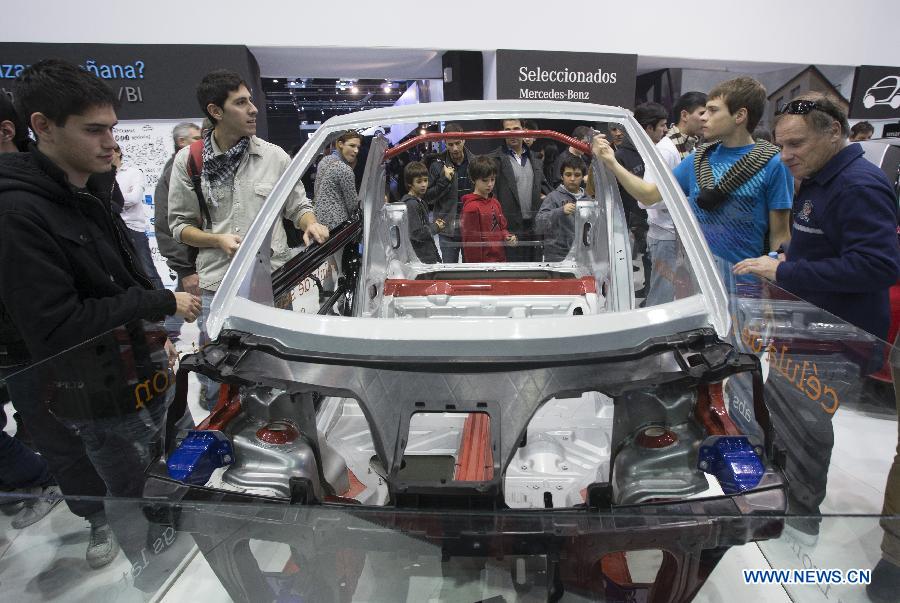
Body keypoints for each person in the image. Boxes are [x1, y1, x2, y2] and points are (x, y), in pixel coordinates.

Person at [0, 59, 202, 573]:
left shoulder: (89, 189)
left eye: (111, 127)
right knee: (132, 492)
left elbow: (121, 273)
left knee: (175, 462)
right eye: (93, 130)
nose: (109, 141)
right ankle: (151, 566)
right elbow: (56, 326)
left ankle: (181, 542)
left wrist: (157, 331)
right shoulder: (20, 213)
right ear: (41, 126)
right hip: (97, 391)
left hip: (143, 366)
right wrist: (157, 306)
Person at [733, 93, 900, 546]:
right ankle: (781, 507)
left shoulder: (859, 185)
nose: (785, 156)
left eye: (796, 145)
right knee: (784, 419)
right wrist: (783, 255)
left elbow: (879, 265)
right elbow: (823, 242)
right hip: (808, 325)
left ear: (833, 133)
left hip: (838, 336)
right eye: (781, 145)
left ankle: (799, 526)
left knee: (804, 428)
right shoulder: (819, 176)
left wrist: (784, 270)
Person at [592, 77, 793, 284]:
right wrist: (612, 163)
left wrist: (775, 288)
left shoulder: (773, 164)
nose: (704, 117)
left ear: (740, 115)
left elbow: (780, 238)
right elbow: (649, 195)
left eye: (713, 110)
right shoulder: (698, 160)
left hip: (748, 285)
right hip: (700, 284)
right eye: (705, 110)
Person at [641, 92, 707, 306]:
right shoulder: (667, 149)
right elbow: (647, 198)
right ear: (685, 115)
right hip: (666, 236)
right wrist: (686, 200)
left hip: (682, 235)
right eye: (702, 113)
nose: (706, 118)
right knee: (662, 296)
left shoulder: (691, 147)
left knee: (679, 296)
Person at [615, 102, 669, 297]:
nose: (665, 130)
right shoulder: (621, 156)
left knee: (653, 266)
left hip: (654, 222)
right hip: (634, 221)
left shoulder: (657, 151)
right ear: (648, 127)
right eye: (662, 125)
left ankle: (648, 293)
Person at [155, 122, 201, 294]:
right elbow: (166, 222)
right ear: (182, 141)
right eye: (196, 138)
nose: (201, 142)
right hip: (193, 267)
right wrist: (185, 270)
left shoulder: (194, 167)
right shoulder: (174, 172)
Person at [490, 119, 545, 261]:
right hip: (510, 229)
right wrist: (501, 230)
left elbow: (544, 186)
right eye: (508, 130)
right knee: (513, 274)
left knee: (534, 273)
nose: (512, 133)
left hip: (534, 227)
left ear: (524, 130)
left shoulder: (536, 158)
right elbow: (491, 197)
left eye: (516, 128)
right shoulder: (495, 160)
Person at [113, 145, 164, 290]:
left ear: (118, 153)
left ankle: (166, 309)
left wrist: (111, 199)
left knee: (147, 270)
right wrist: (121, 199)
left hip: (132, 227)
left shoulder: (133, 173)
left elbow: (134, 198)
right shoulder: (101, 175)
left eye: (110, 150)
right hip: (111, 226)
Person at [426, 122, 475, 263]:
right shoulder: (437, 165)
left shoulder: (475, 162)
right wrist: (444, 181)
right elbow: (428, 198)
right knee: (449, 271)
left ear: (464, 140)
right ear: (445, 143)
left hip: (471, 228)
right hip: (447, 228)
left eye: (458, 143)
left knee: (471, 272)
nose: (454, 148)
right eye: (450, 144)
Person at [460, 155, 517, 263]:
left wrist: (508, 237)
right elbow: (471, 245)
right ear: (473, 179)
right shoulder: (471, 208)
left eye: (492, 179)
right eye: (485, 180)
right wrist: (477, 270)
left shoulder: (495, 202)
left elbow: (502, 228)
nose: (490, 184)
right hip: (483, 266)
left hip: (500, 260)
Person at [535, 155, 590, 261]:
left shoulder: (588, 199)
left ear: (583, 176)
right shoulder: (553, 197)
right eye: (568, 174)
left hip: (582, 255)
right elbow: (539, 223)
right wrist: (560, 211)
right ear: (562, 176)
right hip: (557, 256)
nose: (572, 179)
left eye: (577, 175)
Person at [314, 129, 362, 230]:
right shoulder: (344, 169)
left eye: (358, 147)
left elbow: (317, 191)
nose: (356, 150)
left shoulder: (324, 161)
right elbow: (353, 206)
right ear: (340, 144)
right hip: (338, 226)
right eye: (352, 145)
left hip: (318, 223)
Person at [401, 161, 443, 263]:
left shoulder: (420, 202)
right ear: (410, 183)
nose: (424, 185)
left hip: (426, 257)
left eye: (425, 180)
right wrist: (435, 227)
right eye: (419, 181)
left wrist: (436, 257)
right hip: (420, 259)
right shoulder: (411, 204)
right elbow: (416, 234)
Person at [551, 125, 592, 189]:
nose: (587, 147)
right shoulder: (562, 159)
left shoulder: (586, 158)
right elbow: (557, 185)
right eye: (585, 143)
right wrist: (582, 180)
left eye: (588, 144)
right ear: (575, 140)